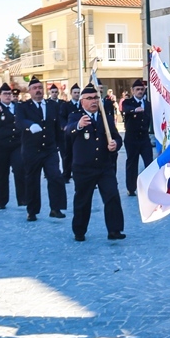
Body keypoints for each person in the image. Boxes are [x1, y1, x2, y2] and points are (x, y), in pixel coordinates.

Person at [65, 85, 125, 241]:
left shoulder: (105, 117)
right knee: (83, 200)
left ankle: (115, 230)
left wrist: (115, 145)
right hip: (84, 167)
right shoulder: (75, 116)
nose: (93, 101)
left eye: (96, 98)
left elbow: (117, 138)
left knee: (112, 196)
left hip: (104, 166)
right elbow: (67, 130)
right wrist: (78, 125)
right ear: (82, 101)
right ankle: (79, 231)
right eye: (89, 98)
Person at [15, 77, 67, 221]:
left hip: (49, 149)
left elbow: (57, 127)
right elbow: (19, 122)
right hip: (32, 150)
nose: (38, 90)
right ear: (30, 91)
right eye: (34, 88)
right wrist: (29, 125)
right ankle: (32, 211)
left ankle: (56, 209)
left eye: (39, 87)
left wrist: (60, 145)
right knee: (32, 180)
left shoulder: (52, 105)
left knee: (55, 176)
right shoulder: (23, 106)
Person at [0, 84, 26, 210]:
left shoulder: (18, 107)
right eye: (5, 94)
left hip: (16, 144)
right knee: (1, 173)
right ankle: (2, 200)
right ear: (0, 96)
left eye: (9, 94)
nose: (8, 96)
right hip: (0, 146)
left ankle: (22, 198)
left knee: (20, 168)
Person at [121, 79, 153, 197]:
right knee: (132, 163)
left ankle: (150, 186)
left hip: (144, 137)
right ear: (133, 91)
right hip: (132, 138)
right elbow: (125, 109)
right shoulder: (128, 102)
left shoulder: (148, 104)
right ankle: (131, 188)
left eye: (142, 89)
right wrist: (134, 110)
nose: (140, 91)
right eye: (137, 89)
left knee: (149, 162)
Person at [60, 84, 82, 183]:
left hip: (81, 133)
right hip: (69, 133)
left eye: (78, 93)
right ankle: (66, 174)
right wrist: (64, 126)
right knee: (68, 154)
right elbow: (61, 117)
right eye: (75, 93)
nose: (77, 95)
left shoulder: (83, 104)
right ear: (71, 94)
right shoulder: (66, 105)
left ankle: (81, 174)